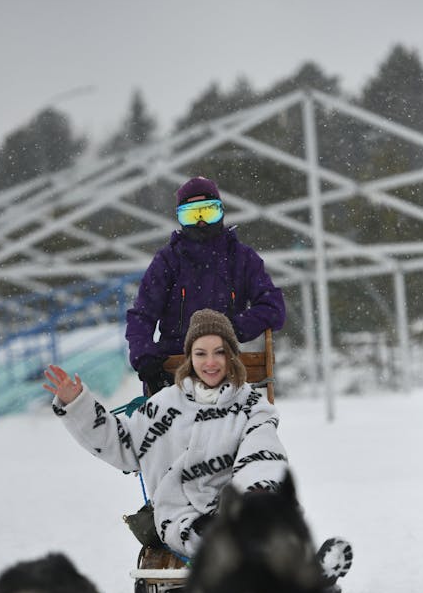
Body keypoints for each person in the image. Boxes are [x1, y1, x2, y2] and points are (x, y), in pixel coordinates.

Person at [44, 309, 289, 557]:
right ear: (190, 358)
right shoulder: (165, 405)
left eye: (219, 352)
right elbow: (121, 443)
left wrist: (257, 490)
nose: (210, 362)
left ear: (231, 356)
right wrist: (78, 404)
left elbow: (262, 452)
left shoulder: (251, 406)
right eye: (200, 353)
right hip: (181, 518)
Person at [126, 176, 286, 395]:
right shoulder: (168, 261)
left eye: (208, 212)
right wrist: (145, 358)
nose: (201, 222)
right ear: (180, 219)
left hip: (224, 363)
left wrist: (230, 329)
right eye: (192, 215)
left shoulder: (241, 258)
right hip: (174, 365)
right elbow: (141, 315)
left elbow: (273, 307)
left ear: (221, 212)